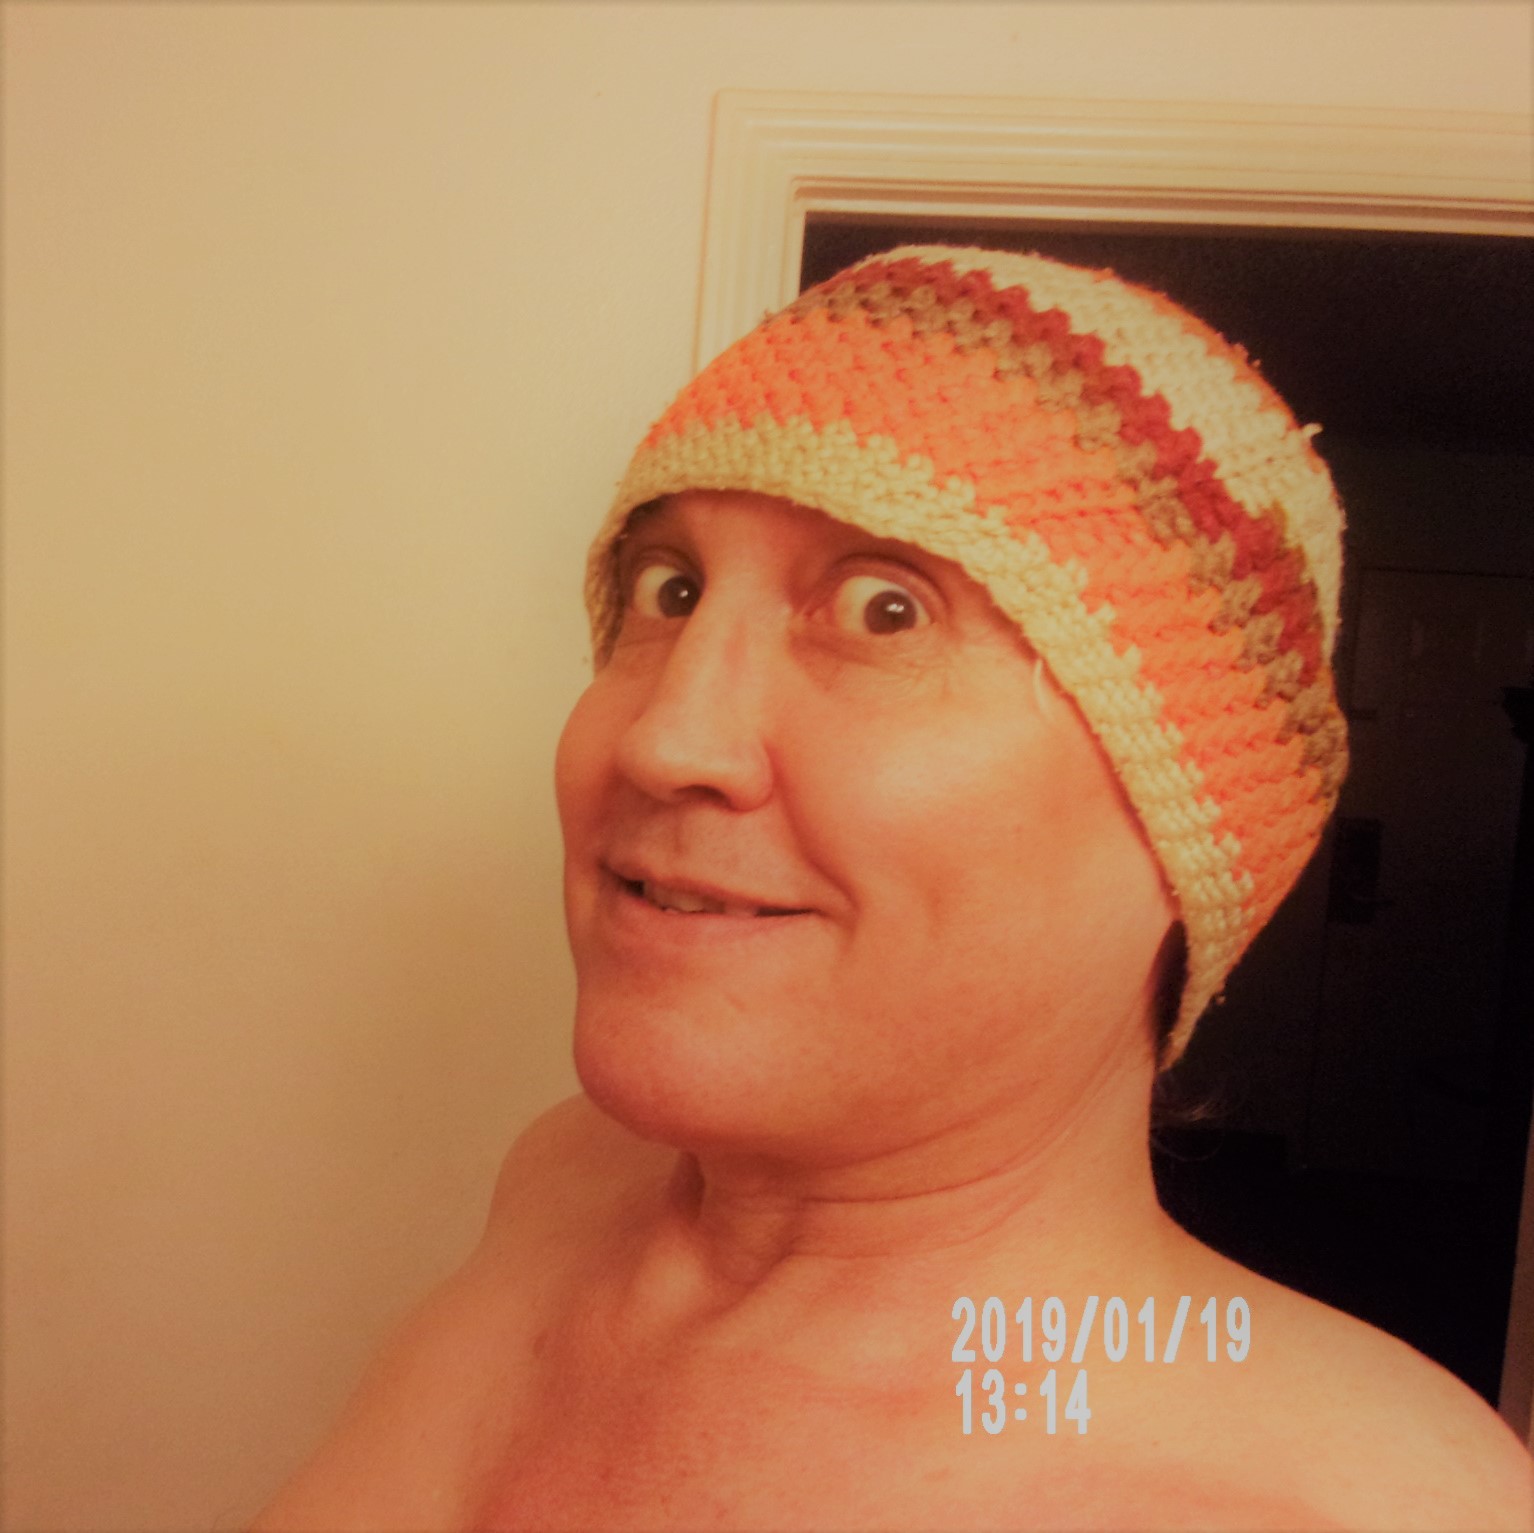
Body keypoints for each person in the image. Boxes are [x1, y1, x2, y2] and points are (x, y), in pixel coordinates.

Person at [253, 246, 1534, 1531]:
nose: (663, 739)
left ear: (1189, 831)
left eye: (886, 610)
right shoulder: (565, 1185)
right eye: (670, 590)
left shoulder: (1345, 1507)